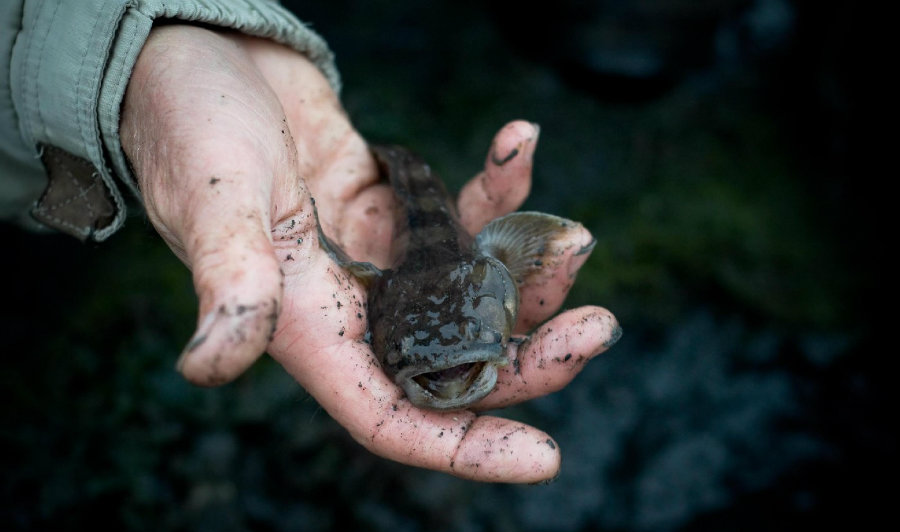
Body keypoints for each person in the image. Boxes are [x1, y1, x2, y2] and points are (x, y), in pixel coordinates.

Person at [1, 1, 619, 483]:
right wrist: (149, 66)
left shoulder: (451, 270)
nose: (450, 364)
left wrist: (145, 51)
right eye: (412, 349)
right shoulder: (420, 278)